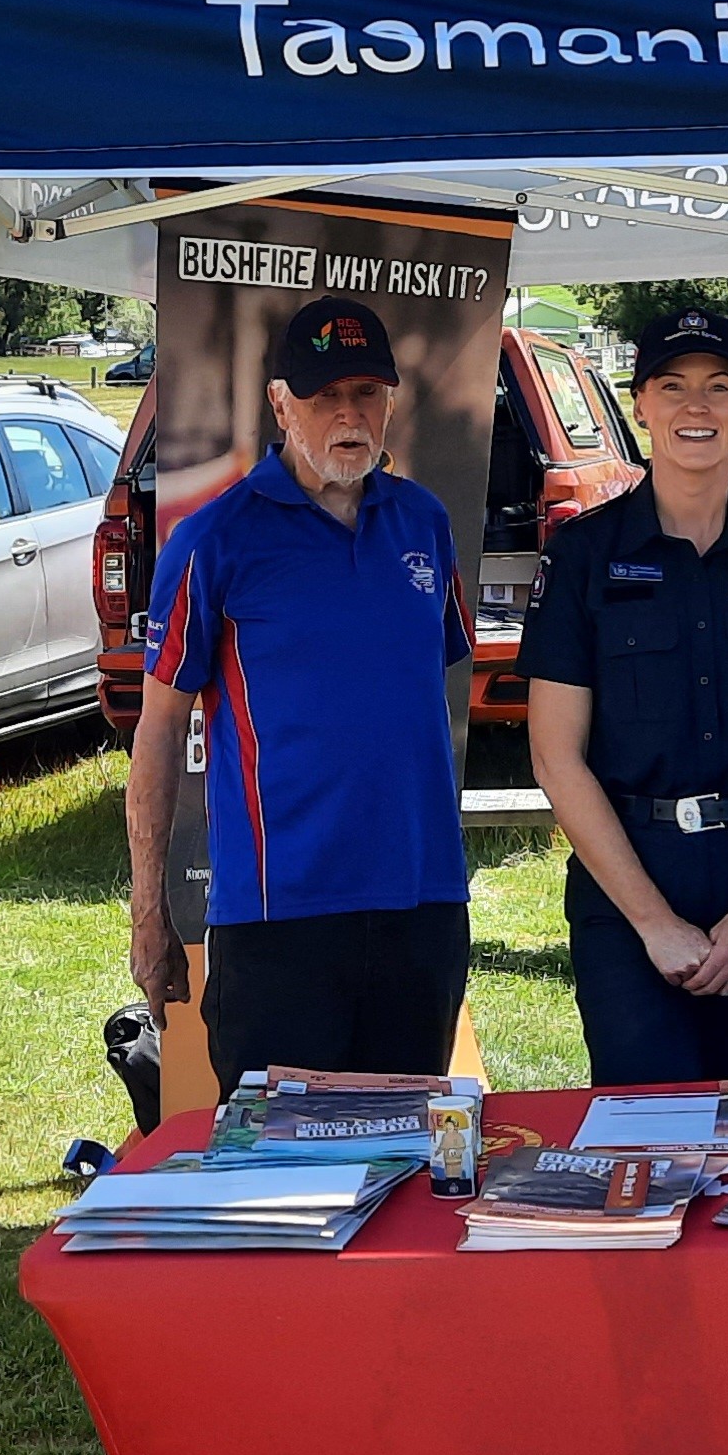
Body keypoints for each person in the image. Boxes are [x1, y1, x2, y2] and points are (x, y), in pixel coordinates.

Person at [127, 295, 473, 1097]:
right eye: (324, 398)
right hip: (278, 917)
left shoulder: (423, 523)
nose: (348, 415)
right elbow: (156, 736)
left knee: (405, 1163)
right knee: (273, 1180)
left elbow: (423, 692)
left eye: (367, 395)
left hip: (420, 907)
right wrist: (150, 916)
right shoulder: (214, 540)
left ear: (391, 403)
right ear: (282, 403)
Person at [520, 306, 728, 1084]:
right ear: (639, 403)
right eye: (671, 387)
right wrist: (652, 923)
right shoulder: (584, 554)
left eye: (717, 386)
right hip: (628, 880)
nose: (695, 407)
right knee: (643, 1137)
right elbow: (555, 755)